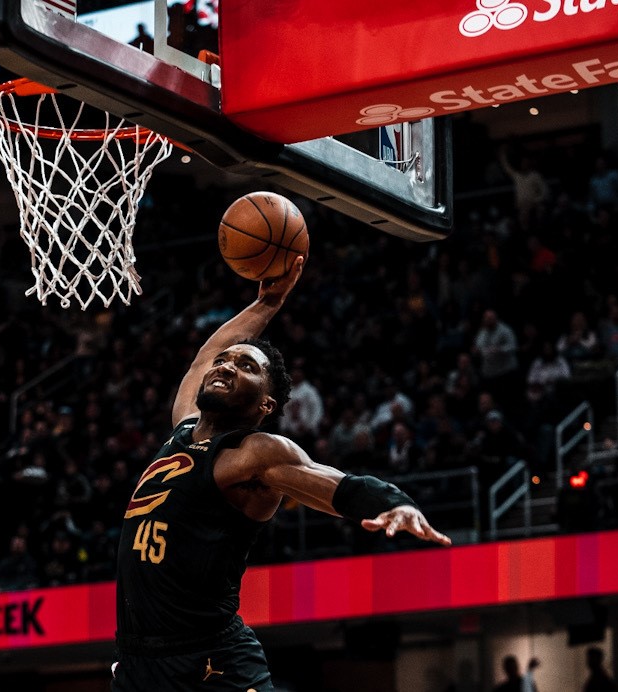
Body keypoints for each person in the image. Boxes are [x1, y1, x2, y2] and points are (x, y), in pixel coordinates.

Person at [110, 256, 451, 691]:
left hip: (210, 660)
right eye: (227, 361)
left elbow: (331, 482)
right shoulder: (183, 427)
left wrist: (394, 502)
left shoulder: (254, 454)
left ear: (266, 406)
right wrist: (267, 304)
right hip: (138, 664)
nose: (227, 365)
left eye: (246, 366)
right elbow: (205, 355)